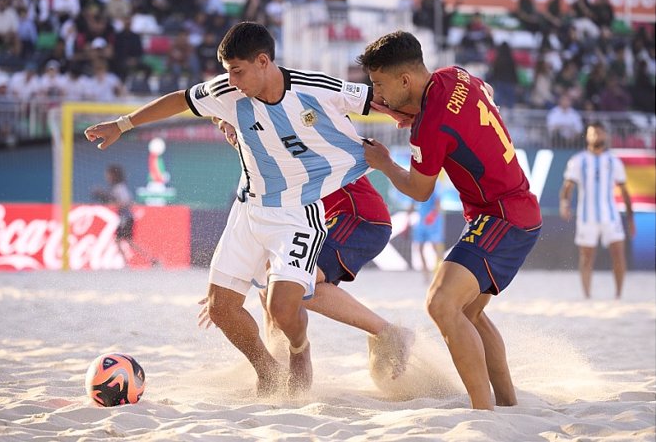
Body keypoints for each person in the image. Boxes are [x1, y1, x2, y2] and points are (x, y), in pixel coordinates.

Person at [84, 22, 375, 397]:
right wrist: (123, 125)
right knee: (221, 310)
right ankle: (267, 370)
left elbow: (378, 99)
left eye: (237, 71)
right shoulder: (227, 90)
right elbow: (180, 99)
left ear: (263, 61)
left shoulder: (314, 88)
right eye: (227, 71)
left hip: (297, 212)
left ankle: (300, 349)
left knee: (284, 308)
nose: (231, 79)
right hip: (248, 209)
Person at [356, 30, 542, 410]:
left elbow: (420, 190)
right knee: (469, 312)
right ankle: (507, 405)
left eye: (380, 84)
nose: (378, 95)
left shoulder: (431, 126)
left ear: (405, 80)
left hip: (502, 216)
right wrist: (408, 113)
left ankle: (483, 414)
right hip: (515, 210)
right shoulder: (455, 74)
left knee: (441, 305)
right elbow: (485, 92)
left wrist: (384, 163)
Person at [201, 118, 413, 381]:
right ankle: (278, 362)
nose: (227, 134)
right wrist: (226, 291)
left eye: (228, 127)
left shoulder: (278, 131)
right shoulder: (258, 153)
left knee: (293, 287)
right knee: (273, 285)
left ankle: (387, 333)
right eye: (222, 129)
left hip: (359, 220)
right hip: (332, 220)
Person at [559, 122, 635, 299]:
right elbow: (567, 186)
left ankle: (618, 295)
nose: (596, 137)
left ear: (605, 136)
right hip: (587, 217)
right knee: (586, 257)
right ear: (587, 136)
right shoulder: (578, 160)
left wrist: (631, 219)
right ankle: (587, 296)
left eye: (599, 133)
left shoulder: (614, 161)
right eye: (592, 133)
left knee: (618, 254)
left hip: (611, 215)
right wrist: (564, 204)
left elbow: (624, 191)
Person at [92, 164, 160, 268]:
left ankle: (145, 260)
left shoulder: (119, 187)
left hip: (126, 218)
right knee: (125, 241)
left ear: (114, 175)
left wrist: (109, 199)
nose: (107, 177)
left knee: (124, 241)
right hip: (124, 217)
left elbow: (125, 202)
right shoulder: (117, 187)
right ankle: (148, 260)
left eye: (108, 174)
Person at [408, 185, 444, 282]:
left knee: (435, 247)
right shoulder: (416, 185)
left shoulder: (435, 186)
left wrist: (432, 216)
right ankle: (426, 275)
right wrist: (407, 221)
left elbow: (438, 205)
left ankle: (443, 273)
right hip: (421, 221)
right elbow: (411, 205)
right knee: (419, 248)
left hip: (433, 221)